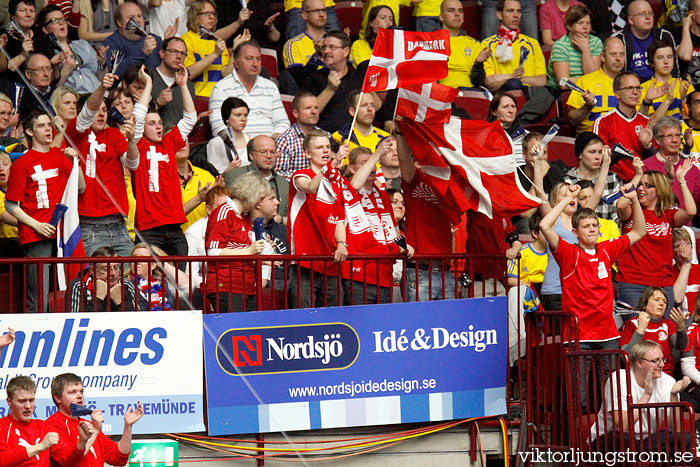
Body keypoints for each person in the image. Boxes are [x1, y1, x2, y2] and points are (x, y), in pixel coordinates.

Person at [5, 110, 85, 313]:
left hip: (64, 234)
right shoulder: (21, 163)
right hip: (35, 236)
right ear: (30, 132)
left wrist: (76, 163)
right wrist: (36, 225)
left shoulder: (60, 155)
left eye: (49, 124)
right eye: (41, 126)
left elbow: (81, 187)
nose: (48, 129)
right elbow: (10, 204)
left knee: (68, 290)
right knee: (39, 295)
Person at [64, 73, 138, 257]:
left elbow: (132, 163)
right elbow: (88, 110)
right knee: (95, 280)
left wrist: (130, 140)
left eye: (105, 110)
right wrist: (103, 88)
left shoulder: (114, 135)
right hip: (89, 225)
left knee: (130, 277)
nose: (101, 114)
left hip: (118, 223)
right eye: (98, 109)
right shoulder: (76, 133)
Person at [132, 65, 196, 257]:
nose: (158, 127)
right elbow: (136, 119)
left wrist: (183, 86)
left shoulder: (168, 143)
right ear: (142, 128)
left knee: (182, 280)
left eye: (160, 123)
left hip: (175, 227)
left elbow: (190, 119)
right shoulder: (137, 145)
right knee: (148, 281)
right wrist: (149, 84)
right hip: (149, 229)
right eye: (152, 124)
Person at [338, 144, 412, 305]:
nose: (371, 166)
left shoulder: (384, 196)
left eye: (372, 162)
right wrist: (376, 154)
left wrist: (404, 246)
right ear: (352, 168)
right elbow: (355, 185)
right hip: (357, 275)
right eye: (365, 163)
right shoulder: (345, 188)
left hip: (384, 275)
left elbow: (393, 230)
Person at [617, 168, 697, 315]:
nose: (641, 188)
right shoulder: (632, 210)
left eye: (648, 186)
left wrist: (681, 180)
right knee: (635, 329)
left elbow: (691, 212)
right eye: (640, 185)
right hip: (632, 283)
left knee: (663, 332)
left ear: (659, 190)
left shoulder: (668, 215)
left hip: (662, 284)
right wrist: (637, 177)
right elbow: (621, 205)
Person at [287, 130, 348, 308]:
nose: (325, 151)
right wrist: (330, 167)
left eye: (328, 147)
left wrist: (342, 243)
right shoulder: (301, 175)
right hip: (304, 261)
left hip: (331, 260)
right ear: (307, 153)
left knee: (334, 318)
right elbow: (312, 187)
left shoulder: (336, 181)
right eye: (319, 147)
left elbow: (338, 218)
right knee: (304, 318)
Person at [396, 128, 456, 302]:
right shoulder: (415, 180)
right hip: (419, 271)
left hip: (445, 272)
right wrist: (400, 134)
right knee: (417, 324)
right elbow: (404, 160)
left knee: (450, 325)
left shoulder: (448, 184)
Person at [591, 341, 691, 445]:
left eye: (662, 359)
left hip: (646, 441)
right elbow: (623, 426)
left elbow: (676, 429)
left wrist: (673, 395)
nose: (662, 365)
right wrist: (647, 395)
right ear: (639, 363)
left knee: (684, 440)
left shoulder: (668, 381)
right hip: (611, 440)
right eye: (656, 361)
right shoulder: (619, 379)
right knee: (623, 440)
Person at [204, 171, 272, 312]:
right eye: (260, 198)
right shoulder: (224, 213)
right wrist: (249, 251)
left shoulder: (245, 218)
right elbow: (213, 251)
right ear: (251, 194)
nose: (260, 203)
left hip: (247, 285)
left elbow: (240, 250)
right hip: (226, 286)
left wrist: (261, 259)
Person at [47, 373, 143, 466]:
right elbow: (69, 462)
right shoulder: (51, 425)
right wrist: (96, 430)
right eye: (72, 392)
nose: (79, 396)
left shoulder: (89, 424)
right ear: (57, 398)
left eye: (81, 391)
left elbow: (119, 458)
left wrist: (128, 426)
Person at [0, 375, 94, 466]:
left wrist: (82, 441)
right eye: (22, 401)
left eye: (31, 400)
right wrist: (40, 447)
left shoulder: (43, 426)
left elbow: (66, 462)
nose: (28, 406)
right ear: (9, 401)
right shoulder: (2, 426)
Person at [209, 40, 290, 139]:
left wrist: (272, 140)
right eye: (249, 59)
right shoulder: (221, 88)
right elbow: (218, 127)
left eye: (258, 59)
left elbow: (282, 122)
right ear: (236, 62)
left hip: (269, 147)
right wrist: (242, 144)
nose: (255, 64)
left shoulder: (270, 87)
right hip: (236, 147)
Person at [593, 71, 657, 181]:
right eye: (629, 88)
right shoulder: (603, 122)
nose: (635, 92)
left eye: (638, 88)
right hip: (613, 182)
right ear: (617, 94)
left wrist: (647, 147)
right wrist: (619, 154)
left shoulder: (647, 122)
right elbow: (596, 160)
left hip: (644, 182)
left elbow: (658, 162)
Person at [301, 31, 364, 133]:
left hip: (355, 137)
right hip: (323, 138)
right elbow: (309, 114)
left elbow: (377, 109)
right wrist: (330, 89)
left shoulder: (359, 77)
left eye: (332, 47)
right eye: (324, 47)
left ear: (346, 51)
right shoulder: (315, 77)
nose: (326, 51)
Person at [478, 0, 546, 92]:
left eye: (518, 11)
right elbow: (490, 81)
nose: (516, 15)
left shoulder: (532, 43)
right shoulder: (487, 44)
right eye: (510, 11)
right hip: (503, 97)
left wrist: (515, 78)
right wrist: (512, 77)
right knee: (513, 84)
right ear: (499, 15)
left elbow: (542, 81)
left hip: (530, 96)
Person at [620, 287, 688, 377]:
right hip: (639, 377)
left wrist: (681, 328)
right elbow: (626, 357)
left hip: (665, 376)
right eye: (656, 300)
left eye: (664, 302)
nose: (661, 304)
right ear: (645, 303)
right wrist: (640, 330)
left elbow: (680, 346)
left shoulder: (668, 325)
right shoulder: (631, 324)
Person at [567, 37, 625, 134]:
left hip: (620, 136)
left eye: (621, 54)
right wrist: (587, 106)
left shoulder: (630, 83)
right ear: (602, 57)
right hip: (590, 137)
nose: (618, 58)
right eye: (613, 54)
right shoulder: (585, 81)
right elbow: (572, 120)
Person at [225, 135, 289, 222]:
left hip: (275, 231)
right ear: (251, 155)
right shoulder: (235, 176)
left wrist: (280, 220)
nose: (269, 156)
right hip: (242, 230)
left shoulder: (283, 183)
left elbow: (288, 215)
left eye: (273, 152)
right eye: (263, 152)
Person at [181, 0, 239, 98]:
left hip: (219, 98)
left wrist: (235, 51)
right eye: (206, 13)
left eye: (213, 13)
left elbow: (226, 75)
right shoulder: (186, 40)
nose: (211, 17)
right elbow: (187, 74)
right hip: (195, 98)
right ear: (195, 17)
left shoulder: (218, 41)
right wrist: (215, 54)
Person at [643, 116, 700, 213]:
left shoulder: (690, 168)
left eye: (678, 135)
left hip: (686, 225)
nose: (675, 140)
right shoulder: (646, 167)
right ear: (657, 140)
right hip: (656, 224)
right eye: (669, 136)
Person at [563, 132, 622, 223]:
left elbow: (618, 215)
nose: (598, 157)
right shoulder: (568, 181)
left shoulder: (612, 178)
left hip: (609, 233)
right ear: (580, 154)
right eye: (592, 152)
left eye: (600, 152)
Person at [611, 0, 676, 83]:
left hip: (662, 86)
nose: (648, 17)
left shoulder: (663, 35)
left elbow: (674, 69)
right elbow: (614, 72)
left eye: (650, 13)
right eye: (642, 14)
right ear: (631, 20)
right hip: (630, 89)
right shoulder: (618, 39)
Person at [185, 184, 230, 303]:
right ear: (209, 210)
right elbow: (191, 276)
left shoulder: (238, 226)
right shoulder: (193, 233)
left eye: (229, 208)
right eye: (221, 207)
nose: (227, 212)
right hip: (207, 289)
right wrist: (219, 285)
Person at [546, 5, 602, 90]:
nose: (585, 27)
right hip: (562, 94)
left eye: (588, 23)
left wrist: (585, 50)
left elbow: (594, 77)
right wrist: (589, 80)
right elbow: (563, 83)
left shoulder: (595, 42)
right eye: (580, 23)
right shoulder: (560, 46)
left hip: (590, 90)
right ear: (569, 26)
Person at [103, 2, 165, 77]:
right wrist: (143, 53)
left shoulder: (154, 39)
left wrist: (168, 42)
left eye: (139, 16)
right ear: (120, 22)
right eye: (131, 17)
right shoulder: (112, 43)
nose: (137, 20)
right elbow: (114, 74)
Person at [68, 245, 136, 312]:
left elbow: (138, 320)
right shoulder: (78, 287)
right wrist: (98, 298)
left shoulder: (127, 284)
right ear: (92, 270)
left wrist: (120, 303)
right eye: (106, 269)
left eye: (116, 268)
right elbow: (77, 321)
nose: (113, 273)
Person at [437, 0, 486, 89]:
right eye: (451, 10)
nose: (457, 14)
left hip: (469, 94)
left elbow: (478, 82)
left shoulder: (474, 44)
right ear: (441, 17)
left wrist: (478, 64)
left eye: (460, 11)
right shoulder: (432, 42)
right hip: (442, 93)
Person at [274, 91, 323, 181]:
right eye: (308, 108)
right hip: (296, 191)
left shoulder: (326, 136)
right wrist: (305, 179)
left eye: (316, 108)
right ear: (295, 113)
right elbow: (279, 174)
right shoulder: (285, 140)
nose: (314, 112)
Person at [640, 40, 693, 121]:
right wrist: (668, 100)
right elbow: (648, 124)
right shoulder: (642, 89)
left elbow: (692, 122)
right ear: (651, 62)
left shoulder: (684, 85)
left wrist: (684, 99)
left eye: (669, 57)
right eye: (660, 58)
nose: (666, 62)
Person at [151, 37, 197, 128]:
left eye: (183, 53)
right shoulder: (148, 78)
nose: (179, 56)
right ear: (162, 53)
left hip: (180, 139)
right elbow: (135, 115)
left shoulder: (188, 86)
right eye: (174, 51)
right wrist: (157, 103)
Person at [128, 243, 186, 310]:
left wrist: (161, 262)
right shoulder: (125, 284)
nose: (137, 261)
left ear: (153, 265)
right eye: (134, 257)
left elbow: (188, 287)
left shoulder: (163, 283)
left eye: (142, 258)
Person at [206, 97, 251, 174]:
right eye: (238, 115)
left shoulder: (250, 139)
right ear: (227, 118)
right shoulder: (216, 142)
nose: (243, 119)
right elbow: (212, 175)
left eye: (245, 115)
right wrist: (229, 170)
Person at [507, 213, 547, 291]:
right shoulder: (521, 252)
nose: (551, 234)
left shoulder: (554, 253)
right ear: (535, 233)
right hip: (525, 291)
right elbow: (510, 279)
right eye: (546, 231)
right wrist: (530, 287)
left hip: (546, 293)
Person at [283, 0, 327, 69]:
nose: (321, 14)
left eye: (323, 10)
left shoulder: (335, 41)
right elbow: (297, 77)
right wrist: (316, 57)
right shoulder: (293, 45)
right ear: (304, 15)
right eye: (316, 11)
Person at [672, 228, 700, 316]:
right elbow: (676, 299)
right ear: (672, 252)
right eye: (679, 246)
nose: (684, 249)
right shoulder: (668, 274)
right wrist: (686, 264)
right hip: (683, 323)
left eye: (687, 244)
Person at [678, 0, 700, 86]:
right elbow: (685, 56)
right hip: (687, 88)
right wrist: (686, 28)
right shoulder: (677, 34)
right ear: (692, 14)